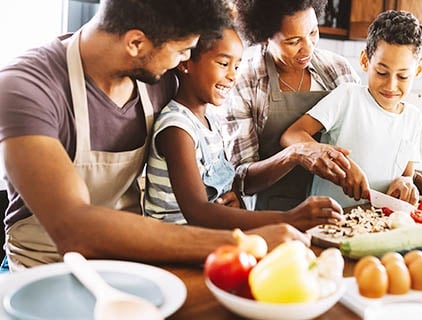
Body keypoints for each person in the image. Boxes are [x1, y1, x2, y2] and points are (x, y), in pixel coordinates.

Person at [0, 0, 311, 272]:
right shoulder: (24, 88)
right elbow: (74, 229)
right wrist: (242, 242)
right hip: (48, 265)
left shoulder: (159, 79)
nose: (182, 62)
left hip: (132, 259)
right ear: (136, 43)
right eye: (181, 52)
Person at [143, 22, 345, 230]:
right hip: (176, 241)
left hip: (206, 235)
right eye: (223, 64)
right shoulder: (177, 128)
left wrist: (232, 197)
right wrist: (289, 219)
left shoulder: (210, 119)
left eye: (236, 66)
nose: (232, 76)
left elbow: (220, 190)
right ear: (185, 63)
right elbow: (198, 212)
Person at [219, 0, 361, 211]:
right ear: (265, 37)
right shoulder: (244, 80)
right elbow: (242, 180)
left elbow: (366, 134)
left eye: (313, 32)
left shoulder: (337, 70)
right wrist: (295, 155)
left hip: (339, 208)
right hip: (273, 214)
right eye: (294, 41)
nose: (308, 48)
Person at [281, 10, 422, 208]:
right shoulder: (348, 97)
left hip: (377, 226)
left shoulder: (413, 118)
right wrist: (341, 163)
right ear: (365, 61)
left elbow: (406, 173)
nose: (391, 85)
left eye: (402, 76)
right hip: (327, 220)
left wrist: (405, 182)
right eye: (382, 72)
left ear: (418, 70)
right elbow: (292, 135)